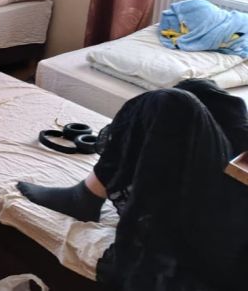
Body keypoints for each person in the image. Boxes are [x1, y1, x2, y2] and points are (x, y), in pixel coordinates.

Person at [17, 79, 248, 290]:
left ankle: (85, 196)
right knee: (200, 89)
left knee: (172, 102)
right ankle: (88, 195)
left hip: (235, 233)